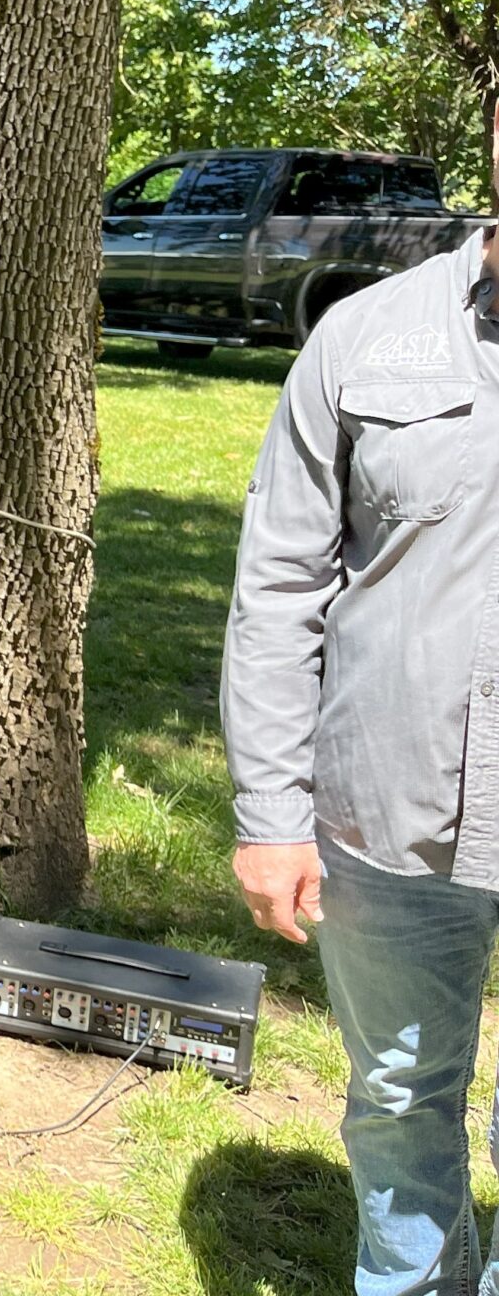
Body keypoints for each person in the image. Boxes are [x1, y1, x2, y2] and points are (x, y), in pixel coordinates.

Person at [225, 222, 499, 1296]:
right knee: (395, 1093)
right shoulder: (363, 336)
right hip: (385, 811)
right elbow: (279, 589)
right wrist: (270, 812)